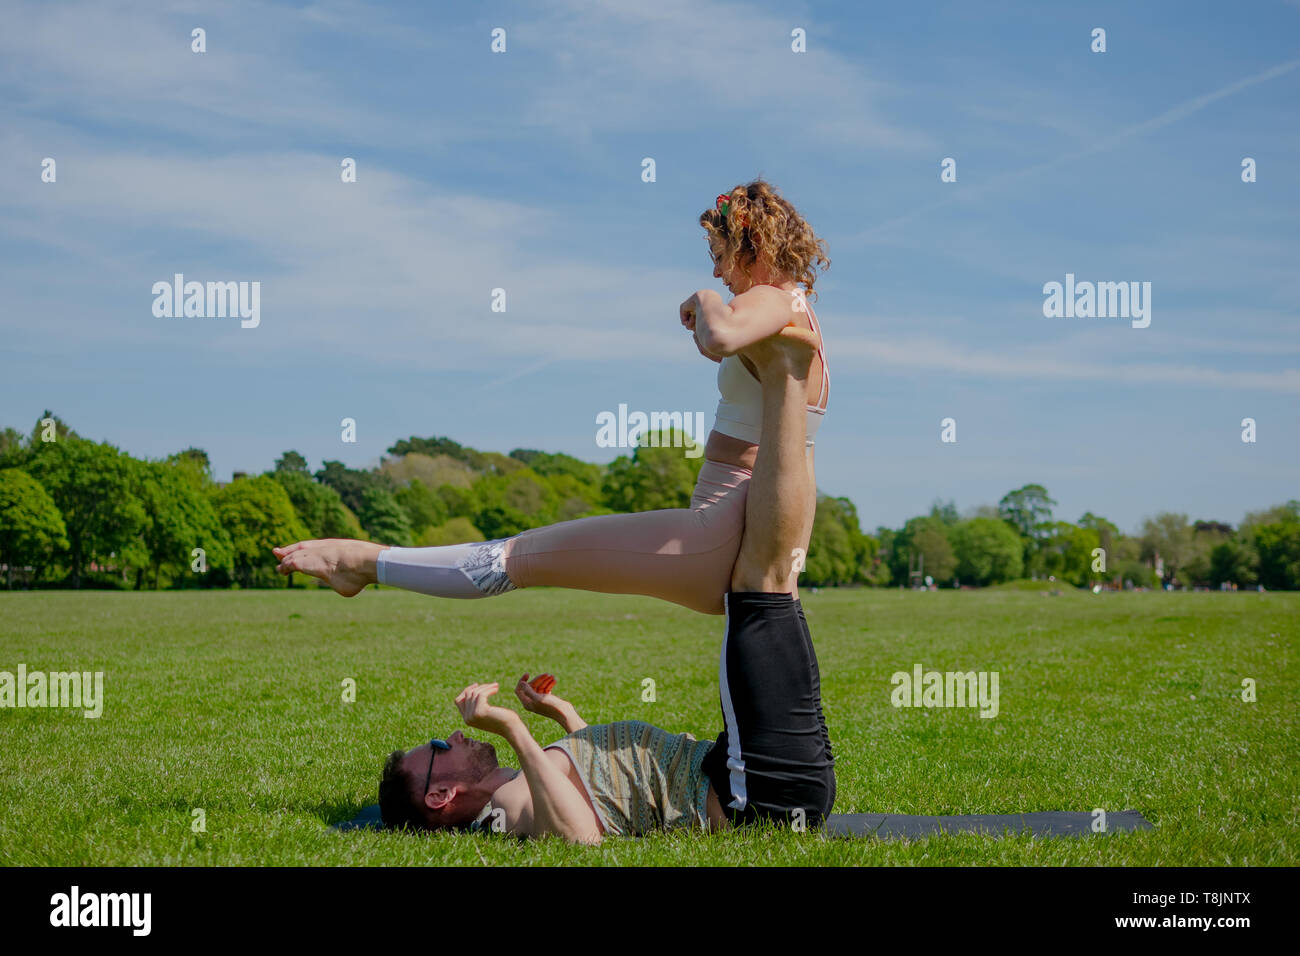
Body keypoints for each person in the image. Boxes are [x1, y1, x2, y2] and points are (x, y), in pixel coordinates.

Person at [272, 179, 831, 615]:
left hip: (717, 535)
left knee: (520, 557)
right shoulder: (799, 312)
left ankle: (361, 563)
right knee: (525, 557)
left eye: (720, 252)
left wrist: (705, 298)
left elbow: (720, 337)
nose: (715, 268)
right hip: (730, 532)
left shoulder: (771, 301)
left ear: (751, 244)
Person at [377, 324, 834, 841]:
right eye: (440, 748)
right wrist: (512, 727)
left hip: (755, 780)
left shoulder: (527, 784)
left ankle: (791, 384)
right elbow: (580, 839)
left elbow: (606, 791)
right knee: (762, 588)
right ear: (441, 796)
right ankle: (789, 381)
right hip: (753, 796)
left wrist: (564, 717)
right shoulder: (504, 808)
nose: (453, 736)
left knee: (766, 583)